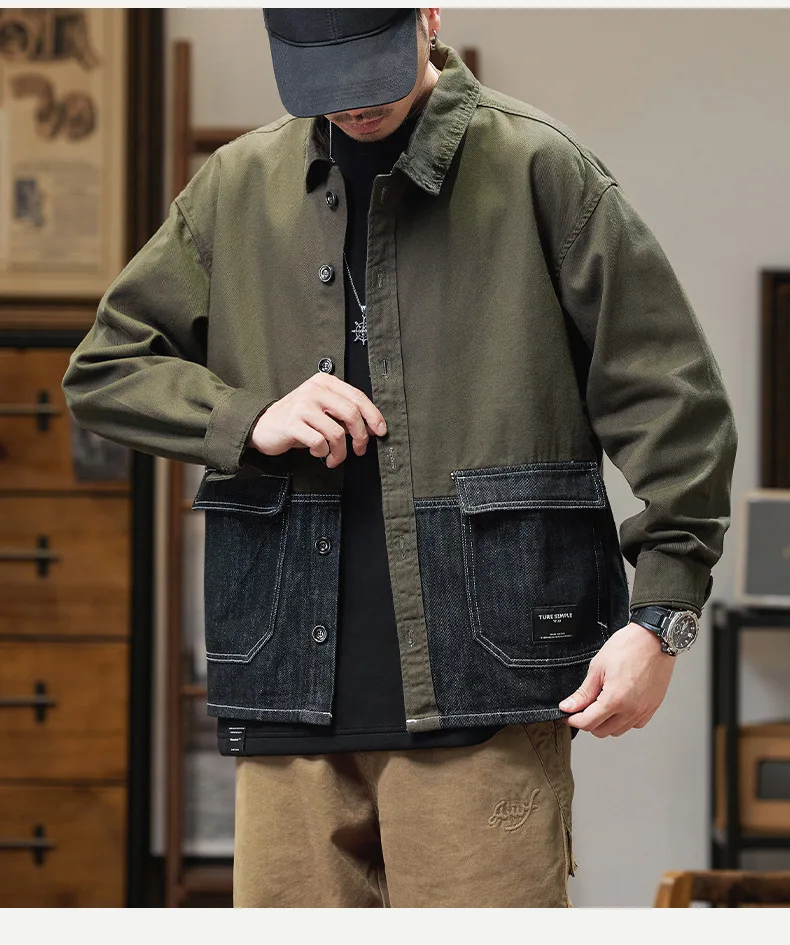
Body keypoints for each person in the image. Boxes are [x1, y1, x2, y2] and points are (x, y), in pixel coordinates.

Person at [61, 8, 738, 907]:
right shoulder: (237, 184)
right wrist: (250, 416)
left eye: (370, 66)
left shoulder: (539, 168)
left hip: (483, 691)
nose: (353, 103)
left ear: (429, 14)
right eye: (323, 77)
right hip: (287, 692)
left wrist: (662, 618)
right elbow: (106, 368)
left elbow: (675, 404)